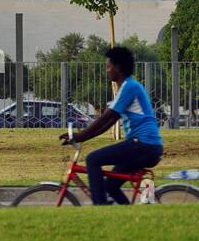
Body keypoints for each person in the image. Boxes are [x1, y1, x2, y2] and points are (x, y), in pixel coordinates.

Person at [66, 46, 164, 205]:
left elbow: (107, 116)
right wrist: (83, 138)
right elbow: (109, 122)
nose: (107, 70)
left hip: (143, 145)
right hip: (147, 147)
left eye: (108, 66)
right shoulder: (128, 86)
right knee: (110, 186)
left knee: (92, 159)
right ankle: (126, 217)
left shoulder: (129, 87)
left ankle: (100, 208)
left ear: (118, 67)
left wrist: (80, 136)